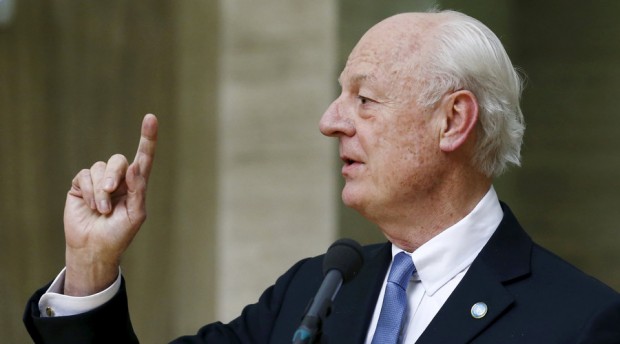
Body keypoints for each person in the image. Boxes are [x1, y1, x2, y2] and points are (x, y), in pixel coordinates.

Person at [24, 9, 620, 344]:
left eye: (364, 99)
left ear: (452, 120)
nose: (330, 121)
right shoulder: (317, 292)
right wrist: (90, 266)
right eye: (340, 96)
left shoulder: (582, 323)